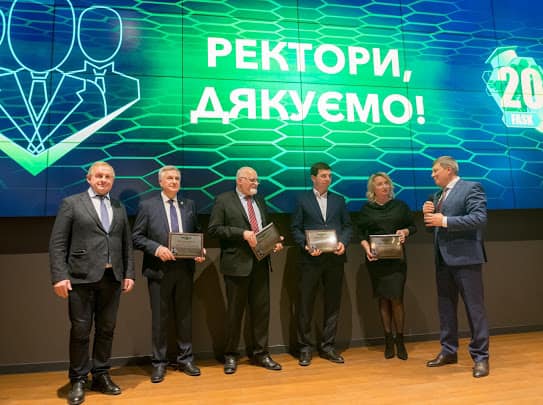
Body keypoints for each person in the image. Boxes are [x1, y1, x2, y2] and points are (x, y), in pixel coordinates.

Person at [49, 161, 135, 405]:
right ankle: (78, 379)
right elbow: (57, 243)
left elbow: (126, 244)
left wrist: (129, 273)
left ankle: (101, 375)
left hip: (112, 278)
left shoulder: (118, 206)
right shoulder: (72, 203)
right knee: (80, 331)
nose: (103, 180)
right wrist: (59, 276)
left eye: (108, 177)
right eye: (99, 176)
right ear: (89, 178)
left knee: (107, 329)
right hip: (80, 278)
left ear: (113, 181)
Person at [132, 166, 205, 383]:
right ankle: (159, 363)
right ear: (161, 182)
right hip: (159, 271)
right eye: (170, 178)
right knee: (160, 320)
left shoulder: (189, 204)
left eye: (177, 178)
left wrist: (199, 250)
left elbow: (196, 232)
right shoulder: (147, 206)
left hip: (184, 270)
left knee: (185, 317)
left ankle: (186, 359)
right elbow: (136, 237)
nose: (174, 181)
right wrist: (156, 249)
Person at [207, 166, 284, 374]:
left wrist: (274, 242)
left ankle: (261, 354)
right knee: (234, 314)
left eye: (257, 180)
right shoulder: (223, 200)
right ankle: (231, 355)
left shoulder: (260, 201)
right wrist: (242, 233)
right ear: (239, 180)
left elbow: (265, 229)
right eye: (252, 180)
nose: (256, 183)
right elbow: (214, 229)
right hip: (236, 266)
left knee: (261, 313)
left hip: (261, 264)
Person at [422, 156, 490, 378]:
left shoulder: (471, 188)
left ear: (449, 169)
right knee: (446, 309)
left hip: (466, 259)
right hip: (442, 260)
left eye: (435, 170)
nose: (432, 175)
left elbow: (479, 219)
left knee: (474, 310)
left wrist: (444, 221)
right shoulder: (437, 196)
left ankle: (481, 358)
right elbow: (433, 229)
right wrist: (428, 217)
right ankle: (449, 351)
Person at [291, 162, 352, 366]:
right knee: (305, 305)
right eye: (324, 175)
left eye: (329, 176)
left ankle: (328, 347)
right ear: (313, 178)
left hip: (334, 259)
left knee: (333, 304)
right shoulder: (302, 199)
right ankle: (305, 348)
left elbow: (347, 226)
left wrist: (343, 242)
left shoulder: (339, 200)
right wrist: (306, 245)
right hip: (310, 260)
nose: (328, 179)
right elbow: (295, 228)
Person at [357, 172, 417, 360]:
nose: (384, 186)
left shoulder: (400, 206)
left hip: (397, 261)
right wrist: (366, 247)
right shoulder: (366, 209)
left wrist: (405, 232)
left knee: (397, 299)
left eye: (386, 183)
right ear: (372, 189)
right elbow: (360, 233)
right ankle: (388, 340)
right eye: (380, 184)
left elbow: (413, 226)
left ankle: (400, 341)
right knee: (383, 299)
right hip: (376, 261)